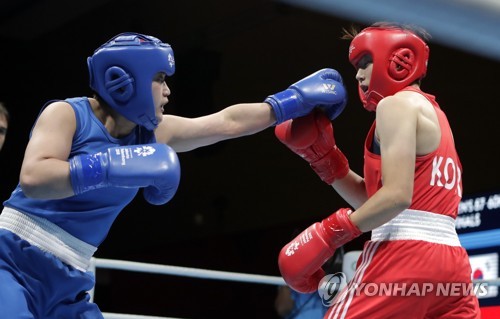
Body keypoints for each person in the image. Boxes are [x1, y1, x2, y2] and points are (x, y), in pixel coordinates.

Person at [0, 32, 348, 318]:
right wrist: (112, 164)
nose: (168, 91)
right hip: (12, 257)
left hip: (70, 276)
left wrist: (288, 102)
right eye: (160, 79)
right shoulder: (67, 114)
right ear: (126, 81)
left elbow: (225, 123)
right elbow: (34, 177)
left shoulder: (153, 133)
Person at [275, 22, 480, 318]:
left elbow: (397, 197)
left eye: (365, 62)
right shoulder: (437, 115)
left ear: (398, 59)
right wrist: (326, 161)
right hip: (452, 265)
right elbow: (381, 203)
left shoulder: (395, 106)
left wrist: (330, 233)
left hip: (403, 254)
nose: (358, 74)